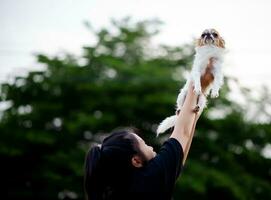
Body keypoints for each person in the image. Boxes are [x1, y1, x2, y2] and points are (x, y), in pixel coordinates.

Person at [84, 61, 215, 200]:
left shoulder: (121, 189)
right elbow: (183, 132)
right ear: (136, 160)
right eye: (144, 144)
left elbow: (180, 151)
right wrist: (198, 74)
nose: (151, 146)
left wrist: (201, 92)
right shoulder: (149, 179)